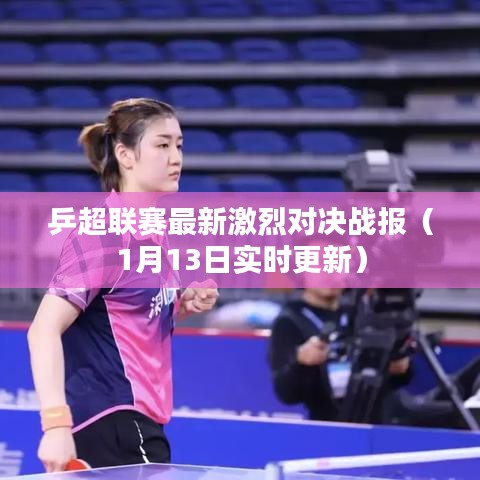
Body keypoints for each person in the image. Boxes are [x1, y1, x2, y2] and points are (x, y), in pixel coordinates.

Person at [27, 98, 219, 473]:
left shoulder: (153, 231)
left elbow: (118, 311)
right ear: (125, 155)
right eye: (162, 145)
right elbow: (43, 329)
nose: (176, 158)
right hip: (113, 418)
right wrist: (55, 424)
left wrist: (180, 302)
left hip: (136, 418)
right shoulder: (105, 235)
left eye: (179, 145)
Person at [268, 287, 413, 423]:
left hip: (381, 418)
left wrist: (397, 367)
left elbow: (401, 376)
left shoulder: (362, 313)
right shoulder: (289, 321)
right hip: (329, 422)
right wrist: (301, 363)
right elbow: (286, 392)